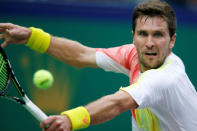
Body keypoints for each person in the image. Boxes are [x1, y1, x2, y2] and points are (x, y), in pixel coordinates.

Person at [0, 1, 197, 131]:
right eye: (143, 34)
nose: (150, 42)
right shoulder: (133, 54)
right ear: (133, 36)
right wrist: (31, 37)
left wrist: (70, 120)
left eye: (158, 35)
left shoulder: (165, 78)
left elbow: (118, 102)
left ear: (172, 41)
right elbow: (81, 54)